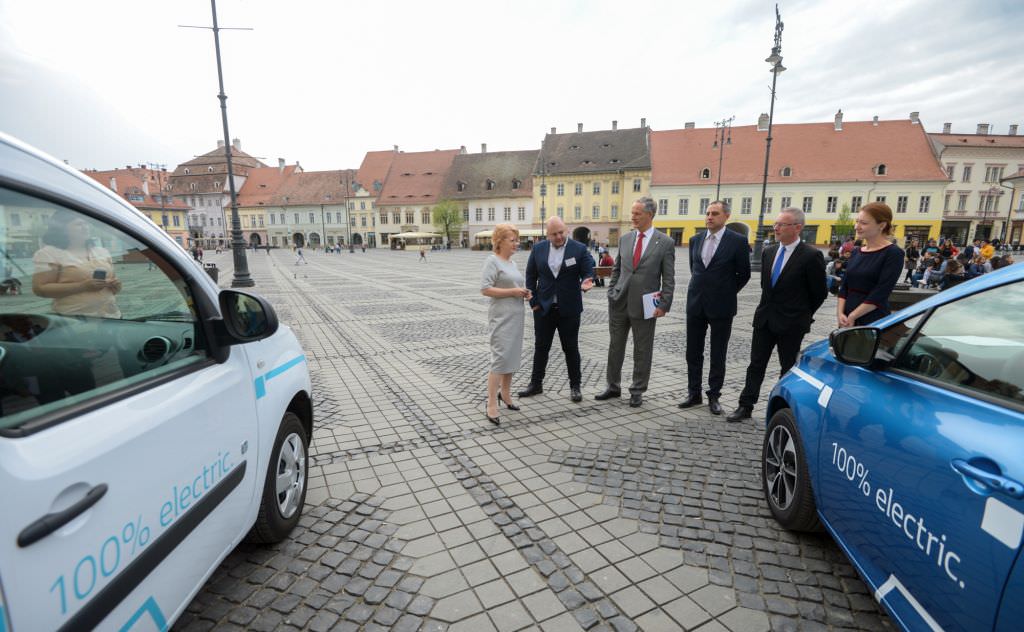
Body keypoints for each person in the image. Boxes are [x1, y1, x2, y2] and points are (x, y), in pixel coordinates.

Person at [727, 208, 827, 421]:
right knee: (756, 364)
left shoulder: (811, 255)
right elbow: (766, 286)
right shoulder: (769, 251)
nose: (776, 228)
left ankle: (783, 411)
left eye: (782, 224)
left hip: (792, 323)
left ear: (797, 227)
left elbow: (819, 293)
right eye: (776, 224)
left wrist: (802, 315)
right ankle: (746, 405)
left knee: (788, 367)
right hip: (765, 319)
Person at [595, 197, 675, 408]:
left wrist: (663, 304)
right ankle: (613, 386)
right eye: (632, 213)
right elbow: (618, 269)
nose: (633, 217)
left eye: (637, 213)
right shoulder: (626, 239)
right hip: (619, 301)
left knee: (642, 349)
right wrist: (612, 291)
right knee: (615, 346)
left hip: (646, 304)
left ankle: (637, 389)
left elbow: (668, 278)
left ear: (650, 214)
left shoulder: (665, 242)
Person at [678, 200, 750, 415]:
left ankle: (714, 395)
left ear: (726, 216)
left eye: (715, 213)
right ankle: (694, 392)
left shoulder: (737, 241)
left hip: (722, 306)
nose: (709, 217)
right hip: (696, 303)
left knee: (718, 352)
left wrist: (726, 292)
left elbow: (744, 274)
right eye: (708, 213)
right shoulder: (695, 239)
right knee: (693, 351)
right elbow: (695, 269)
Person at [518, 217, 595, 403]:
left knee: (571, 348)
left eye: (561, 232)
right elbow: (530, 275)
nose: (559, 236)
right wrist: (534, 302)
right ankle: (536, 384)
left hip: (569, 308)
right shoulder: (538, 249)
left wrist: (587, 280)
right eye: (554, 234)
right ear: (548, 235)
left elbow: (588, 269)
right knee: (541, 347)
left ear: (566, 230)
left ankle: (575, 386)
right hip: (543, 308)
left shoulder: (579, 249)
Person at [480, 224, 531, 425]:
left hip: (516, 315)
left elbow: (514, 287)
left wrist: (524, 292)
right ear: (500, 241)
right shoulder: (492, 261)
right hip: (501, 318)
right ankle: (491, 403)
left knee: (511, 356)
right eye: (513, 240)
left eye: (517, 240)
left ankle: (506, 394)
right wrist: (512, 292)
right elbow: (485, 289)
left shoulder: (512, 263)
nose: (517, 243)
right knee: (500, 359)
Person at [838, 202, 905, 327]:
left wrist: (853, 315)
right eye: (857, 221)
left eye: (863, 223)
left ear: (882, 225)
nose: (857, 226)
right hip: (847, 317)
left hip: (872, 319)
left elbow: (881, 292)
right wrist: (840, 313)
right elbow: (844, 286)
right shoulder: (856, 251)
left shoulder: (893, 253)